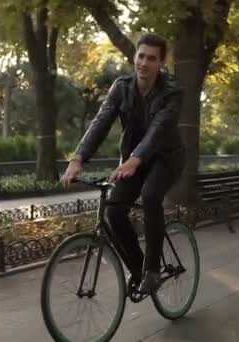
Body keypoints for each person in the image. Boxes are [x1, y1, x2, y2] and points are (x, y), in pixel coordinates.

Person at [61, 32, 185, 295]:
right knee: (113, 212)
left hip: (165, 159)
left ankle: (152, 270)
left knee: (151, 196)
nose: (144, 63)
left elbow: (158, 131)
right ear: (134, 57)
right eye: (140, 56)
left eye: (151, 58)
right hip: (133, 161)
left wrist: (135, 160)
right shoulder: (121, 87)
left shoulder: (173, 92)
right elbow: (101, 122)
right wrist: (77, 158)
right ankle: (138, 269)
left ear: (161, 63)